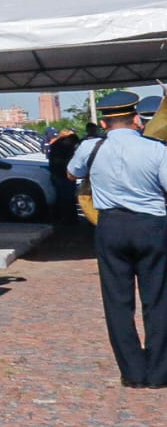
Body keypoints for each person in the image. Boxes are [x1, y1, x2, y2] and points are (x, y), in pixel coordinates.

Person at [68, 91, 167, 388]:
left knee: (117, 302)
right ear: (136, 119)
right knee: (158, 299)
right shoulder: (156, 148)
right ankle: (160, 372)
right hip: (151, 224)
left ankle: (133, 372)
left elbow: (71, 174)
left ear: (103, 121)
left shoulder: (91, 148)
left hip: (110, 224)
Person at [47, 128, 81, 223]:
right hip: (63, 174)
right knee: (67, 197)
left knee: (63, 196)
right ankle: (68, 218)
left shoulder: (58, 145)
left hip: (61, 173)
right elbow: (58, 161)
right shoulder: (60, 146)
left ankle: (62, 217)